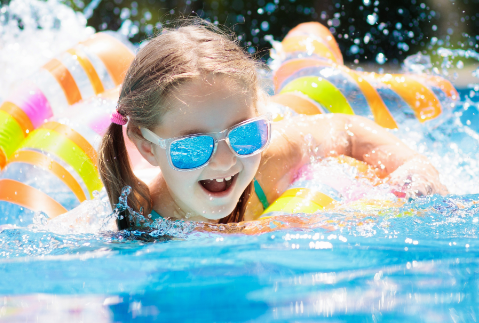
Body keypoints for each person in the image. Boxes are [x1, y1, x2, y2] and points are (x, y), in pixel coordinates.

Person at [98, 21, 448, 230]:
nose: (224, 161)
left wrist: (411, 165)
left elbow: (344, 130)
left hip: (296, 111)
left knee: (318, 86)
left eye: (245, 135)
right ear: (147, 147)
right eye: (193, 147)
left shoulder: (268, 159)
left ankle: (318, 68)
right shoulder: (134, 217)